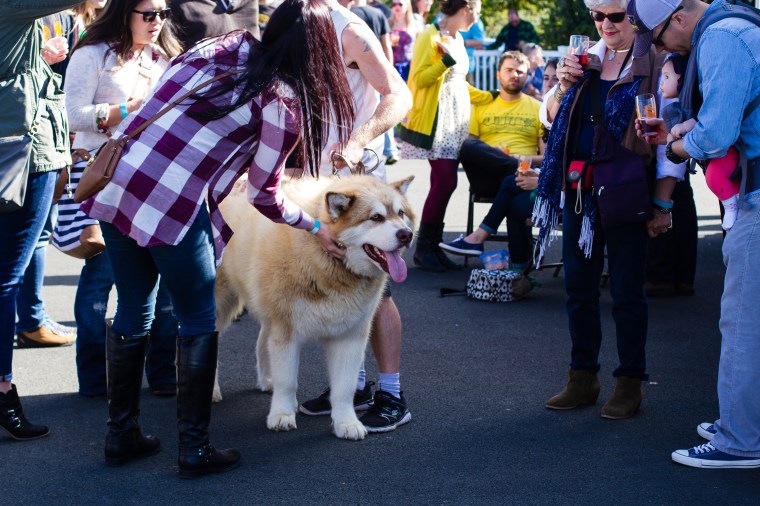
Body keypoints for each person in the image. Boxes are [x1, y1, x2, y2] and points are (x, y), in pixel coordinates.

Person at [80, 0, 356, 476]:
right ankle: (194, 447)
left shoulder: (221, 45)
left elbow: (162, 101)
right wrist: (316, 226)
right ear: (319, 53)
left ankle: (120, 435)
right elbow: (267, 197)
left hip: (121, 180)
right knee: (198, 317)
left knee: (132, 308)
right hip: (172, 202)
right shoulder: (282, 104)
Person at [629, 0, 760, 469]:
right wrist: (680, 130)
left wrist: (679, 144)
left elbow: (717, 135)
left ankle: (741, 440)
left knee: (744, 323)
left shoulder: (722, 38)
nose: (662, 49)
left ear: (680, 19)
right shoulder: (736, 27)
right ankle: (747, 422)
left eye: (660, 37)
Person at [533, 0, 676, 421]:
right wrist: (560, 85)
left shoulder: (654, 59)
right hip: (581, 189)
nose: (606, 24)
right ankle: (583, 377)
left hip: (629, 190)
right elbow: (552, 119)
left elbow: (665, 145)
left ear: (635, 16)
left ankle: (630, 382)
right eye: (598, 16)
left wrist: (662, 203)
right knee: (579, 285)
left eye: (616, 15)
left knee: (628, 291)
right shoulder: (586, 59)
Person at [298, 0, 415, 434]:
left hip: (357, 178)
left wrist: (359, 138)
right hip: (318, 182)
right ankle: (354, 386)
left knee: (375, 291)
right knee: (337, 284)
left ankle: (391, 394)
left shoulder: (348, 30)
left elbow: (398, 94)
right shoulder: (294, 20)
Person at [56, 0, 182, 399]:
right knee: (102, 278)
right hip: (104, 177)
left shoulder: (166, 57)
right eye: (149, 14)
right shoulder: (93, 54)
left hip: (157, 177)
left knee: (165, 282)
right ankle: (94, 380)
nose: (157, 21)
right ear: (124, 11)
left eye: (162, 13)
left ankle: (162, 373)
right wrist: (128, 110)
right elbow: (72, 116)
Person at [0, 0, 81, 441]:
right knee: (4, 280)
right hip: (23, 159)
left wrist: (37, 57)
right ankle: (3, 389)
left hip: (20, 152)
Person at [399, 0, 493, 273]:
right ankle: (425, 248)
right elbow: (419, 79)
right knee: (446, 181)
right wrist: (445, 61)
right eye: (476, 13)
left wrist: (489, 97)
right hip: (438, 120)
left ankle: (432, 247)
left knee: (443, 181)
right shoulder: (430, 34)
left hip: (456, 119)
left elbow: (459, 84)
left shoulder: (458, 37)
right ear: (465, 9)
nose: (476, 20)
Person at [439, 50, 545, 271]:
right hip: (489, 176)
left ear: (528, 76)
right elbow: (469, 148)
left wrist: (523, 158)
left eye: (520, 71)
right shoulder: (482, 104)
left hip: (522, 179)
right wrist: (494, 154)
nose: (514, 75)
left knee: (514, 189)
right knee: (469, 146)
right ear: (498, 74)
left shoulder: (537, 107)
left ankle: (516, 265)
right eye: (509, 70)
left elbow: (545, 158)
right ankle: (515, 169)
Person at [643, 52, 697, 297]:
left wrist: (662, 204)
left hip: (667, 165)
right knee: (682, 202)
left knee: (670, 207)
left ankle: (662, 277)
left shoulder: (667, 60)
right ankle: (682, 277)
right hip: (675, 164)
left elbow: (671, 156)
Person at [169, 0, 259, 47]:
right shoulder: (179, 4)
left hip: (250, 75)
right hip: (202, 77)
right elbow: (171, 50)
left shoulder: (251, 2)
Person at [389, 0, 418, 81]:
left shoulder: (414, 24)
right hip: (393, 67)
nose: (397, 7)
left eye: (400, 4)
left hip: (410, 67)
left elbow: (419, 46)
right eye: (394, 4)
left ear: (407, 6)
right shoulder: (388, 23)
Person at [460, 15, 484, 86]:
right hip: (451, 66)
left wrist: (459, 42)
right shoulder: (450, 16)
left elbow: (479, 41)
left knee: (469, 94)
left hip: (467, 65)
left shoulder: (476, 21)